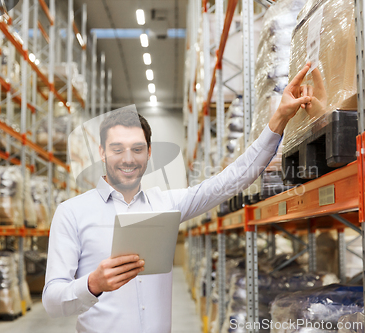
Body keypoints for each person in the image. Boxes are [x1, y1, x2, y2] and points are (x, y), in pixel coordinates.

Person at [42, 63, 314, 332]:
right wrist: (93, 284)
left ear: (149, 154)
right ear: (101, 152)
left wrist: (279, 118)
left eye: (137, 149)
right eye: (117, 149)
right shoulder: (72, 212)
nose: (128, 159)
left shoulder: (165, 205)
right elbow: (52, 301)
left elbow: (232, 179)